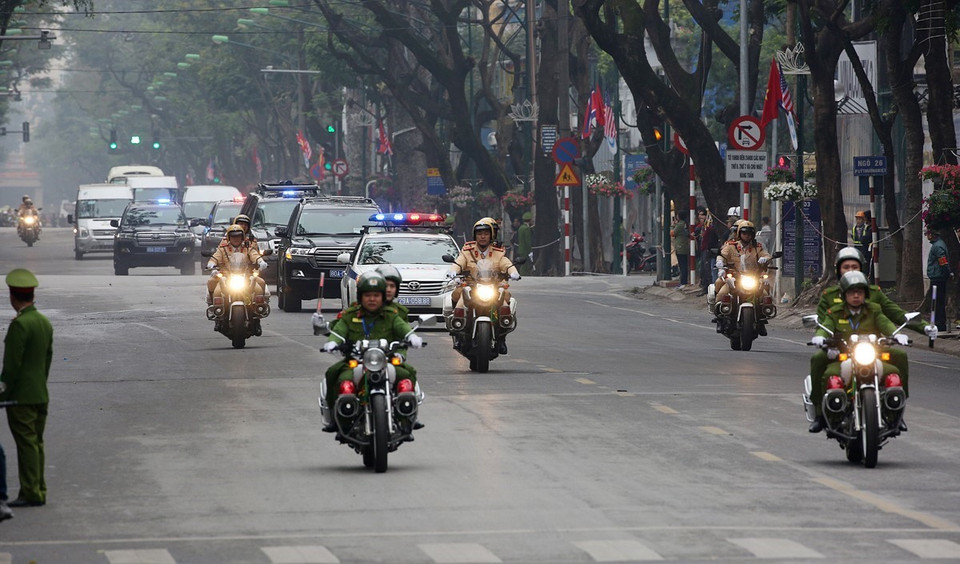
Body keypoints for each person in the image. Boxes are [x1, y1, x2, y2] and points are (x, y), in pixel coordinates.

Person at [320, 272, 422, 431]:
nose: (372, 299)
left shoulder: (391, 315)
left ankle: (407, 417)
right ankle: (336, 418)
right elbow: (338, 331)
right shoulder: (350, 315)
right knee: (334, 374)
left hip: (385, 360)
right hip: (355, 362)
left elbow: (402, 328)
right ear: (360, 296)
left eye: (376, 295)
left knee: (408, 373)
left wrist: (412, 337)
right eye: (368, 295)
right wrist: (332, 343)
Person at [808, 271, 906, 433]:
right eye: (852, 292)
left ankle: (895, 415)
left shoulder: (874, 309)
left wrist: (896, 334)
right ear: (844, 294)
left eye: (859, 292)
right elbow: (825, 327)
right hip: (843, 358)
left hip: (871, 357)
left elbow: (885, 323)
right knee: (829, 377)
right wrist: (820, 337)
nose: (855, 296)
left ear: (865, 295)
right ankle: (823, 415)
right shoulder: (835, 311)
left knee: (894, 375)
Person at [0, 268, 53, 507]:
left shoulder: (20, 326)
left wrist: (3, 394)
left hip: (21, 398)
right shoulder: (43, 322)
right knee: (37, 443)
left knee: (26, 445)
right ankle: (39, 489)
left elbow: (11, 368)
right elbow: (47, 359)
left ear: (12, 296)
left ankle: (30, 492)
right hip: (40, 393)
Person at [445, 217, 521, 354]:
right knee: (458, 295)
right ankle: (457, 331)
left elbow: (506, 263)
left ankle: (502, 338)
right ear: (475, 236)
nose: (483, 237)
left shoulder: (498, 252)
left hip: (492, 286)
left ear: (491, 235)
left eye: (486, 233)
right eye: (480, 234)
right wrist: (453, 272)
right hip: (470, 285)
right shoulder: (467, 251)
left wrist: (514, 272)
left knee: (506, 299)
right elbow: (459, 262)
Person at [710, 220, 771, 330]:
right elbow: (722, 255)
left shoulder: (757, 247)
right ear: (739, 234)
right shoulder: (731, 246)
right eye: (744, 233)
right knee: (721, 293)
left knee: (765, 293)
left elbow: (767, 255)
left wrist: (765, 259)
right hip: (734, 278)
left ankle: (762, 318)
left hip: (753, 278)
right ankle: (720, 318)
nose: (747, 236)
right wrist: (720, 263)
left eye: (749, 234)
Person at [206, 224, 268, 332]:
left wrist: (261, 262)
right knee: (213, 286)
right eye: (233, 236)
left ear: (242, 237)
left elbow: (254, 255)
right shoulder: (223, 249)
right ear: (229, 238)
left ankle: (258, 316)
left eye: (238, 236)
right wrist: (211, 265)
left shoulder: (248, 248)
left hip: (246, 276)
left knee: (260, 284)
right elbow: (215, 258)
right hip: (226, 277)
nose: (236, 239)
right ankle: (217, 313)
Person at [926, 227, 953, 331]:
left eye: (928, 234)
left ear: (932, 234)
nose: (927, 236)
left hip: (938, 278)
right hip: (938, 277)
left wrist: (947, 272)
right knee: (937, 301)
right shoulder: (939, 245)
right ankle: (938, 322)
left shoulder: (937, 247)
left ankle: (939, 323)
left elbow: (943, 262)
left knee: (937, 302)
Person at [696, 209, 718, 296]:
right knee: (704, 270)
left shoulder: (710, 228)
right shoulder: (703, 227)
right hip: (703, 250)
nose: (700, 217)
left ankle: (709, 288)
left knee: (708, 270)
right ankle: (705, 287)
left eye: (702, 215)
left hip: (708, 251)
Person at [671, 213, 689, 288]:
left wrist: (673, 225)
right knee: (683, 265)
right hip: (684, 247)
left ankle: (683, 282)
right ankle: (683, 281)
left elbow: (672, 233)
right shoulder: (685, 224)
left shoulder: (680, 225)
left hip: (680, 247)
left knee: (682, 266)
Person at [517, 212, 533, 276]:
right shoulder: (526, 229)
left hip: (520, 248)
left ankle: (523, 274)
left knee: (522, 263)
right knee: (525, 264)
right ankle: (524, 275)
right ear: (529, 220)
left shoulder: (521, 228)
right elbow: (527, 241)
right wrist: (530, 251)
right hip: (525, 249)